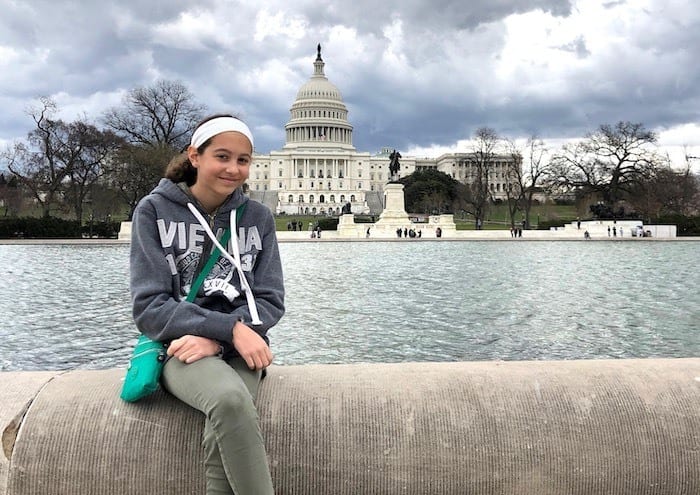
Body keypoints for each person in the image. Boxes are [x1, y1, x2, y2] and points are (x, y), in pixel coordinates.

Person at [130, 114, 284, 495]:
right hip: (179, 346)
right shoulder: (153, 211)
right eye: (222, 156)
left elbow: (269, 299)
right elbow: (150, 307)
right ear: (194, 156)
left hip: (240, 347)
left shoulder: (258, 217)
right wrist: (228, 328)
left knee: (226, 427)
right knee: (230, 401)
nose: (233, 169)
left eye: (243, 160)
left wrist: (219, 341)